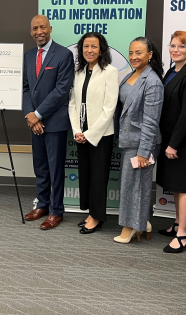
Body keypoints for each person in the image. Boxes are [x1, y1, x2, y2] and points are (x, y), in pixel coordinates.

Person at [22, 15, 74, 230]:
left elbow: (62, 91)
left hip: (54, 122)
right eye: (35, 28)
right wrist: (30, 115)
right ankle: (42, 204)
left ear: (50, 28)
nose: (39, 31)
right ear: (31, 31)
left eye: (42, 27)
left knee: (55, 168)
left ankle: (56, 211)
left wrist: (39, 114)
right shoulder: (28, 55)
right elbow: (25, 88)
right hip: (35, 122)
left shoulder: (64, 54)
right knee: (40, 167)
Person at [157, 31, 186, 253]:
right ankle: (178, 223)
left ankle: (184, 235)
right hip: (169, 138)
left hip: (183, 142)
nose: (175, 50)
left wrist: (174, 144)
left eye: (182, 47)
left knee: (185, 187)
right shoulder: (172, 71)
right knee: (177, 185)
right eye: (173, 45)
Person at [113, 37, 164, 244]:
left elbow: (152, 121)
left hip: (143, 142)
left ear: (150, 55)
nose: (133, 57)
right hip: (129, 139)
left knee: (137, 187)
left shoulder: (153, 82)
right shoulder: (132, 75)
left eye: (139, 53)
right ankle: (142, 222)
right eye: (131, 52)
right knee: (129, 185)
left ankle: (132, 227)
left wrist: (144, 151)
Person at [67, 32, 118, 234]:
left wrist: (89, 134)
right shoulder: (78, 71)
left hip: (101, 135)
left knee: (98, 177)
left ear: (101, 49)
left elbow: (109, 107)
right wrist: (78, 131)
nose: (89, 50)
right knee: (86, 175)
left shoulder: (110, 72)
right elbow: (72, 103)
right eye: (86, 46)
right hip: (81, 134)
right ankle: (91, 212)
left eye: (94, 46)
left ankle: (97, 217)